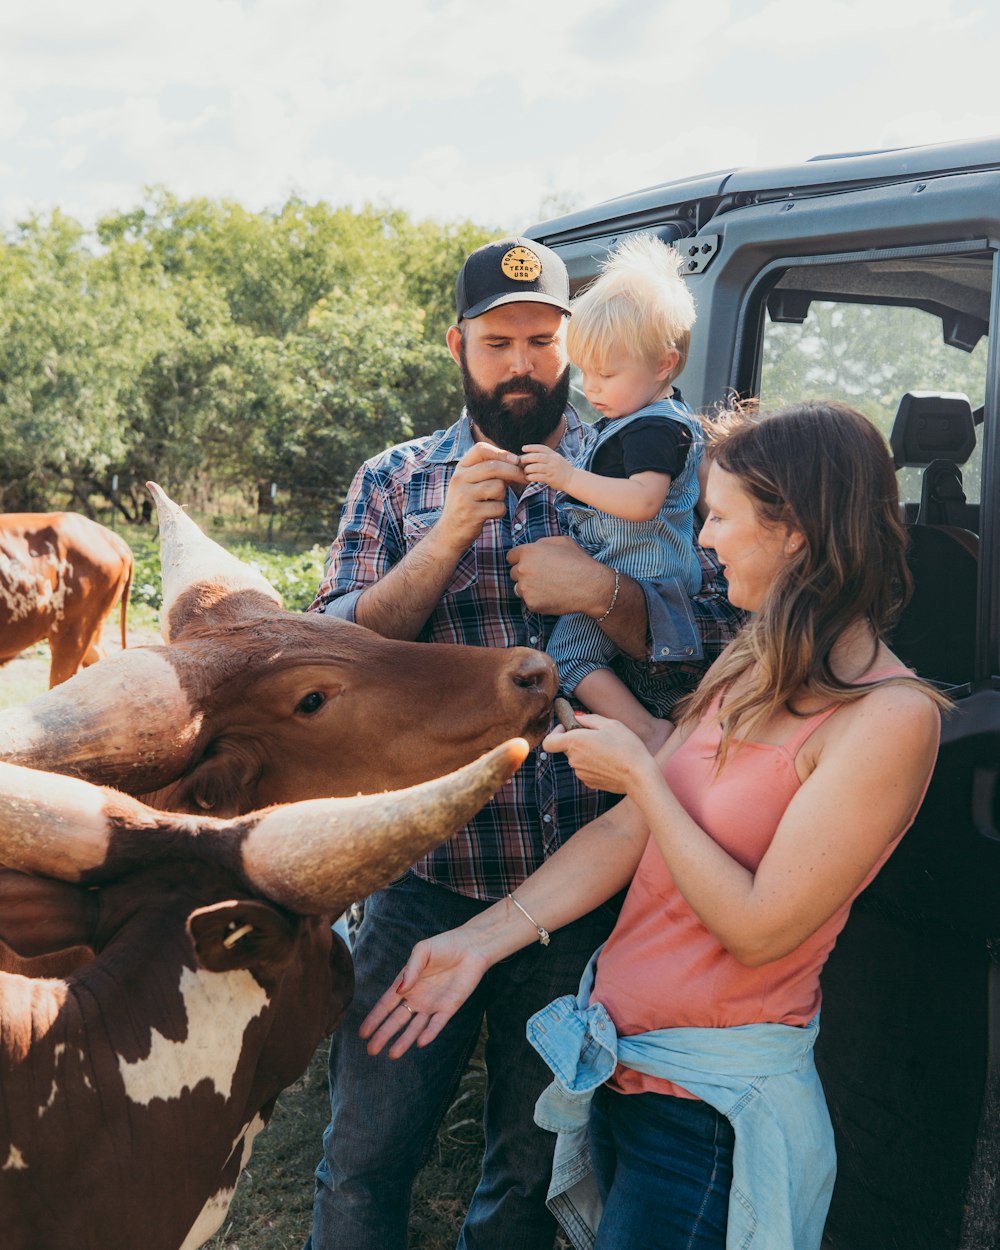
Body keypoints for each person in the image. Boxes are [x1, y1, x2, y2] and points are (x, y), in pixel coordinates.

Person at [360, 400, 946, 1250]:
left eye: (719, 516)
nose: (703, 541)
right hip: (627, 1079)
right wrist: (478, 943)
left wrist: (642, 775)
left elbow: (758, 928)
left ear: (795, 533)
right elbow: (628, 833)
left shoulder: (891, 718)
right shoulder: (753, 663)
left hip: (708, 1122)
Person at [303, 235, 745, 1250]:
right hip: (425, 874)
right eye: (498, 341)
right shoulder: (395, 482)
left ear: (575, 341)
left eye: (543, 341)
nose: (522, 363)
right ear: (458, 344)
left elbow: (728, 641)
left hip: (585, 888)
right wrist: (446, 537)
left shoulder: (650, 457)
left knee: (531, 1163)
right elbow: (330, 661)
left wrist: (600, 592)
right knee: (365, 1153)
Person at [520, 234, 703, 753]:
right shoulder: (638, 420)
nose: (591, 388)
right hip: (634, 567)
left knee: (571, 658)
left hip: (644, 571)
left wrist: (567, 477)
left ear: (664, 364)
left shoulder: (653, 429)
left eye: (606, 373)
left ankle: (649, 735)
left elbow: (643, 501)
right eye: (584, 372)